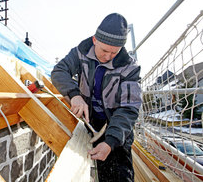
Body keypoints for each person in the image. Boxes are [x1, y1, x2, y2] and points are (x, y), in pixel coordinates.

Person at [51, 13, 142, 182]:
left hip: (118, 128)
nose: (107, 57)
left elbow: (128, 108)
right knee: (101, 172)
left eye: (114, 53)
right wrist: (74, 95)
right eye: (104, 50)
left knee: (120, 175)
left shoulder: (130, 67)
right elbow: (59, 72)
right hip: (93, 124)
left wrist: (111, 141)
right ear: (94, 40)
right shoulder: (80, 53)